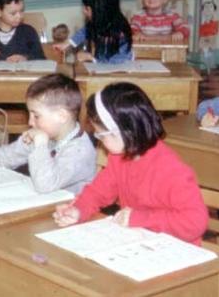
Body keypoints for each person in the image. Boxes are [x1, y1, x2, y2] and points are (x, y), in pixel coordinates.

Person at [52, 82, 208, 245]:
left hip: (177, 249)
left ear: (126, 131)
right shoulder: (119, 157)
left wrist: (140, 218)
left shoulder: (170, 170)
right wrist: (79, 209)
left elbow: (195, 222)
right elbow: (99, 192)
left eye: (101, 135)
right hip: (141, 242)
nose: (100, 141)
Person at [0, 73, 96, 194]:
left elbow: (46, 184)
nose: (30, 122)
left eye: (36, 116)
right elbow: (6, 155)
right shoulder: (47, 135)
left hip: (71, 214)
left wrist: (40, 145)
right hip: (47, 207)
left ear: (62, 116)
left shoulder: (79, 150)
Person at [54, 0, 132, 63]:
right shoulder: (97, 23)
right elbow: (84, 31)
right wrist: (67, 43)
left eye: (87, 8)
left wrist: (91, 58)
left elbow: (116, 63)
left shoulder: (121, 34)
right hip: (101, 68)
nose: (84, 11)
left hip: (119, 72)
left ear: (100, 11)